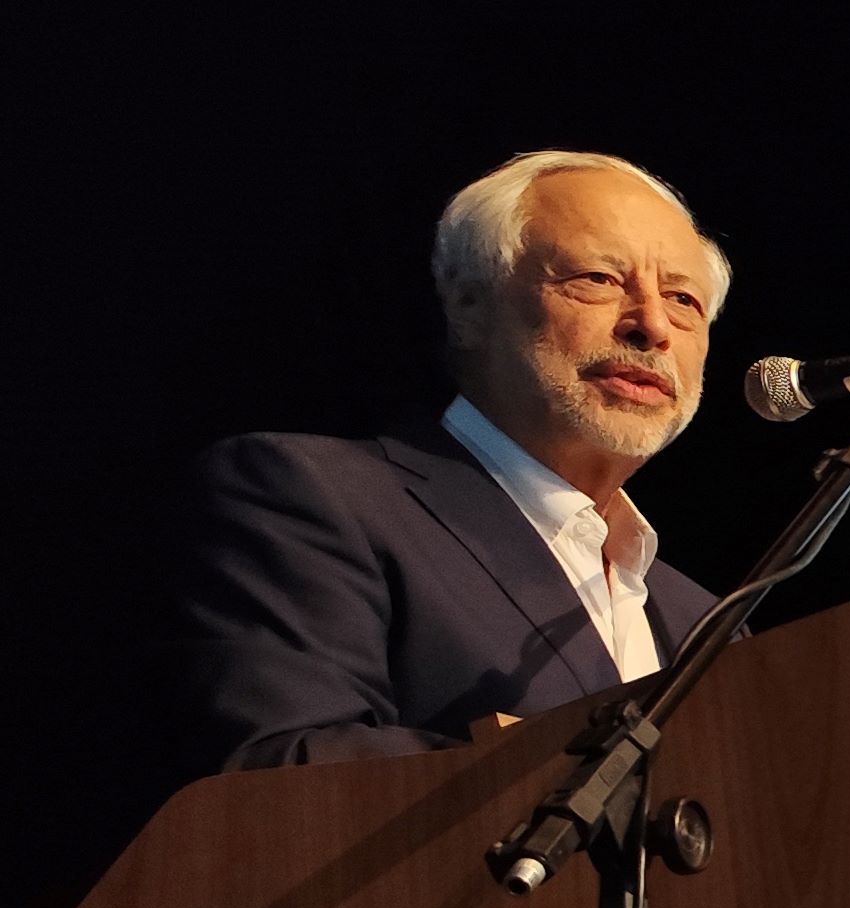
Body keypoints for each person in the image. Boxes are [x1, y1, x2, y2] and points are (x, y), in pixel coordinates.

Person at [170, 150, 730, 770]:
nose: (652, 325)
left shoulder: (706, 621)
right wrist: (554, 767)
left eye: (684, 299)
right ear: (467, 306)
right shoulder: (312, 496)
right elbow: (277, 771)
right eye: (598, 279)